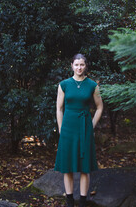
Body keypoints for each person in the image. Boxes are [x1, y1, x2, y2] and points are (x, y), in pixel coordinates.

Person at [54, 53, 103, 207]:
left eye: (82, 65)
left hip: (84, 128)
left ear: (85, 66)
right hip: (68, 128)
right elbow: (59, 108)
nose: (79, 67)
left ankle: (82, 201)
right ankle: (69, 201)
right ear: (72, 66)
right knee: (67, 167)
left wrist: (92, 124)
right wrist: (61, 129)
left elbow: (100, 107)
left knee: (84, 167)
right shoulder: (64, 85)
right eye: (76, 64)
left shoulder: (92, 85)